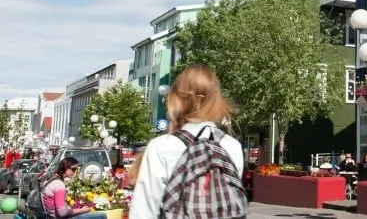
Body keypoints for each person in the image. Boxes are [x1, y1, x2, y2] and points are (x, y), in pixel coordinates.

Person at [130, 65, 244, 219]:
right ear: (217, 100)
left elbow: (144, 211)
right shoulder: (232, 146)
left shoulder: (162, 146)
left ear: (176, 98)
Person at [41, 156, 107, 218]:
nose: (75, 172)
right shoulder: (59, 185)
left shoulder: (51, 179)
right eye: (73, 169)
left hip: (51, 216)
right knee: (102, 215)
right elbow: (62, 213)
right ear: (66, 167)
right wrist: (82, 210)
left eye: (76, 169)